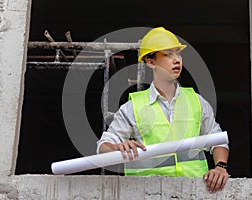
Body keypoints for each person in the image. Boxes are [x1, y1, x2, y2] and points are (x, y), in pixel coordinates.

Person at [97, 27, 229, 192]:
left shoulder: (196, 101)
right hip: (147, 192)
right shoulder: (133, 107)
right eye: (168, 54)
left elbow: (218, 140)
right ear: (151, 62)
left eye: (177, 53)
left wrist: (220, 167)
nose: (177, 60)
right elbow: (103, 146)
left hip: (195, 191)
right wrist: (117, 147)